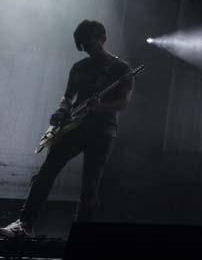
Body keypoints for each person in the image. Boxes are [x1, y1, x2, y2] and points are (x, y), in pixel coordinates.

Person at [0, 20, 134, 238]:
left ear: (103, 38)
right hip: (74, 126)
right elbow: (67, 97)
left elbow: (123, 103)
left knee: (90, 186)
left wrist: (100, 107)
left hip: (103, 131)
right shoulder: (79, 67)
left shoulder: (123, 69)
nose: (90, 50)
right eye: (85, 47)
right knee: (45, 173)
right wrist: (61, 111)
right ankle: (24, 224)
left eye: (92, 44)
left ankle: (81, 236)